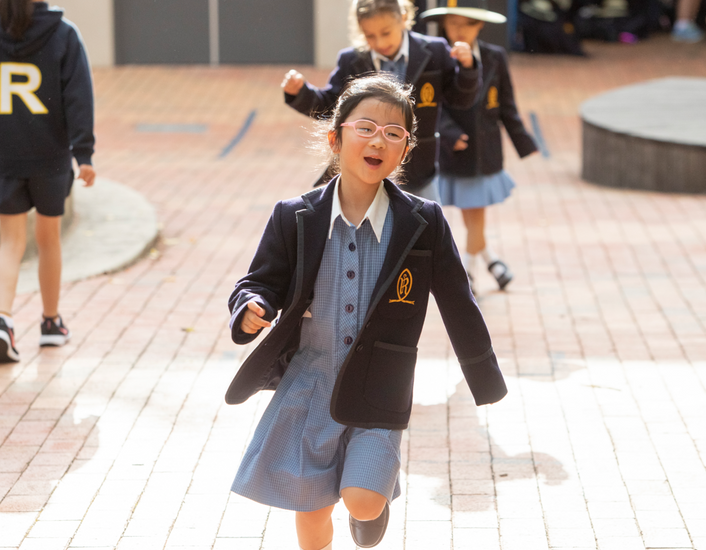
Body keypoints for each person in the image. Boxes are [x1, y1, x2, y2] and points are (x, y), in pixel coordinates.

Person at [225, 74, 508, 550]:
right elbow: (259, 281)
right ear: (336, 139)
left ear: (405, 149)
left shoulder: (422, 222)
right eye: (366, 128)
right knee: (311, 508)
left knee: (362, 500)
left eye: (394, 133)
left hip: (381, 386)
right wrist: (251, 308)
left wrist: (485, 379)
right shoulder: (294, 216)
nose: (379, 139)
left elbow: (459, 301)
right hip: (309, 383)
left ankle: (369, 511)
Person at [0, 0, 96, 362]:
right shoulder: (64, 34)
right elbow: (79, 97)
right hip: (50, 158)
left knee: (10, 243)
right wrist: (84, 154)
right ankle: (51, 324)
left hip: (5, 155)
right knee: (48, 240)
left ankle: (3, 320)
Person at [281, 0, 481, 203]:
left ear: (403, 18)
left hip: (419, 172)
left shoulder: (435, 51)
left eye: (386, 33)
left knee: (426, 226)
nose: (380, 43)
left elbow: (461, 100)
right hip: (367, 169)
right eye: (370, 36)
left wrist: (468, 69)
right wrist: (301, 93)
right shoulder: (351, 60)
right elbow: (331, 106)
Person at [421, 0, 539, 293]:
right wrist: (448, 134)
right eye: (452, 23)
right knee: (473, 216)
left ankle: (478, 267)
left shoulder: (495, 57)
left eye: (467, 24)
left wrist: (524, 141)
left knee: (476, 215)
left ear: (480, 25)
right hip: (455, 150)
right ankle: (481, 266)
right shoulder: (437, 56)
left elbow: (506, 105)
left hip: (486, 152)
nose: (458, 30)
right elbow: (430, 103)